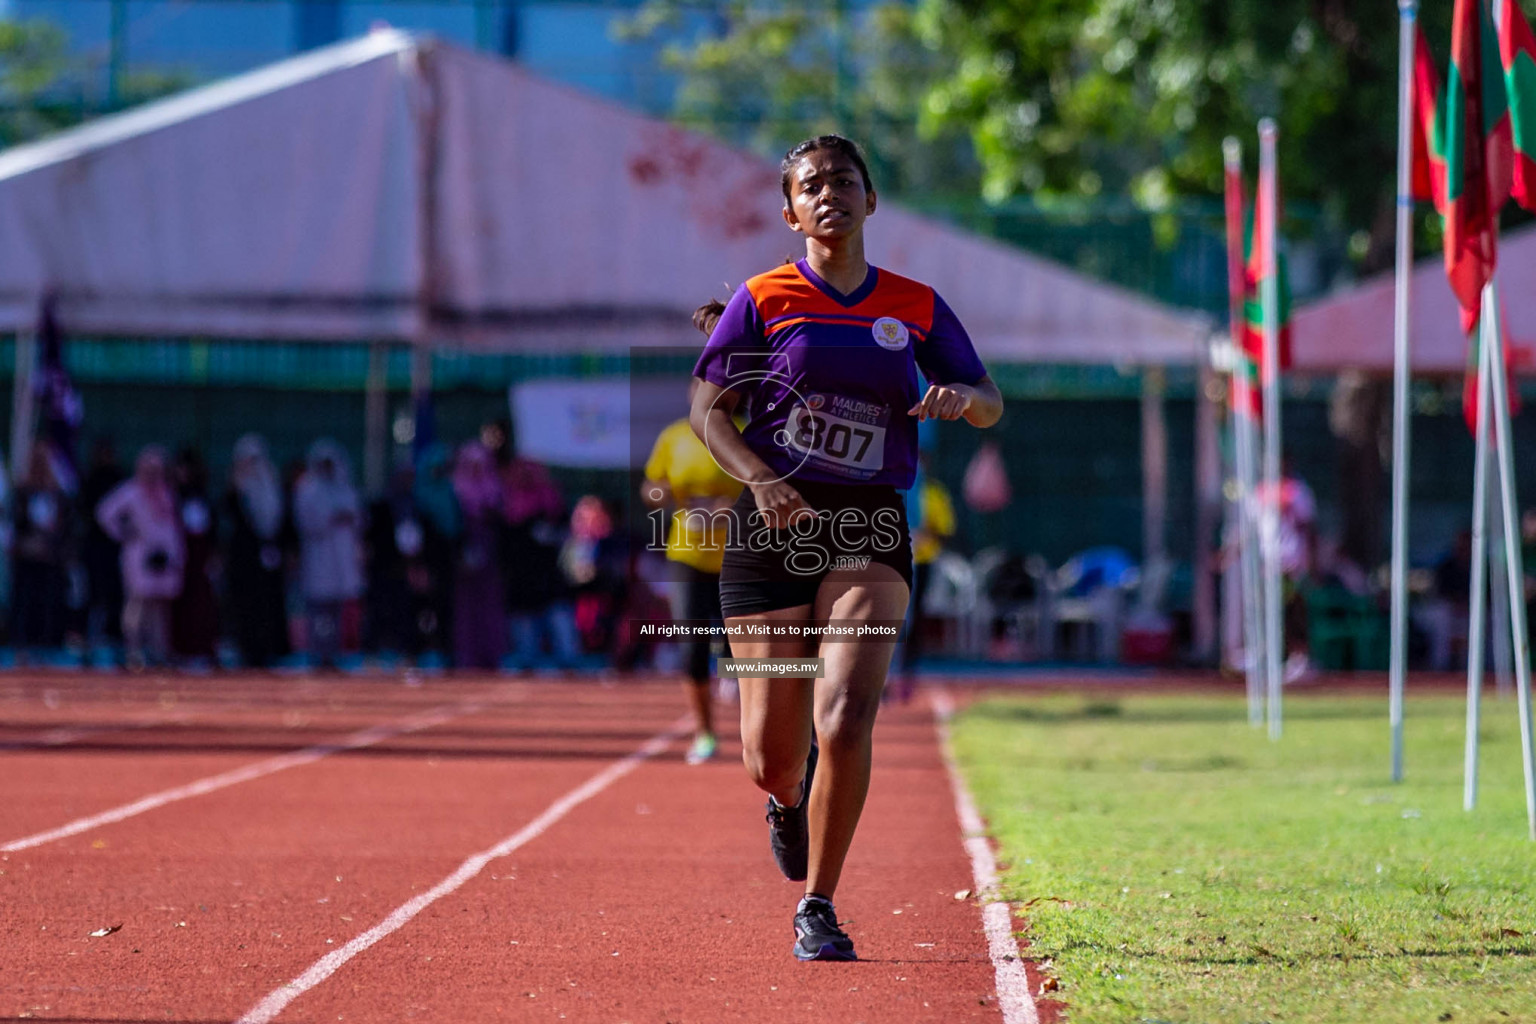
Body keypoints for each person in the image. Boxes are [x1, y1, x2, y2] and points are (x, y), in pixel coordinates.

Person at [689, 135, 1002, 961]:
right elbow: (709, 413)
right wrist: (760, 480)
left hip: (868, 526)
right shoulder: (761, 299)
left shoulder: (916, 305)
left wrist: (958, 398)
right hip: (773, 528)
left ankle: (818, 905)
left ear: (871, 201)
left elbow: (988, 400)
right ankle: (789, 797)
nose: (829, 194)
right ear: (790, 210)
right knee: (770, 754)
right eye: (811, 185)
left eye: (844, 181)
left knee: (848, 709)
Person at [642, 361, 745, 764]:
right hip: (686, 554)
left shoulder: (746, 434)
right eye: (699, 388)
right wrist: (663, 495)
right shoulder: (673, 438)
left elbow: (766, 485)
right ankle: (704, 733)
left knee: (742, 648)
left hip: (739, 555)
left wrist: (727, 508)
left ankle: (755, 728)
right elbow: (651, 488)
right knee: (692, 645)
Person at [96, 446, 185, 669]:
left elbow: (173, 528)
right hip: (139, 554)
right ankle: (133, 650)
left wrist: (176, 555)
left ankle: (159, 650)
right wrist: (125, 533)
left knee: (160, 606)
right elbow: (105, 513)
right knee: (137, 602)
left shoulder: (166, 492)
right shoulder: (131, 491)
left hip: (162, 556)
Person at [292, 440, 364, 669]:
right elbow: (307, 523)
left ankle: (335, 653)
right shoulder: (308, 490)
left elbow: (358, 519)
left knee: (338, 613)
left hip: (341, 560)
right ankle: (319, 654)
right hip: (319, 560)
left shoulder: (345, 488)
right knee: (320, 613)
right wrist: (333, 518)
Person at [223, 434, 290, 668]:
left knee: (268, 605)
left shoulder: (271, 484)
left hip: (269, 557)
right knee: (245, 606)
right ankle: (246, 650)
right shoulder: (236, 487)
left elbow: (279, 520)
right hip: (245, 559)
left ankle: (270, 650)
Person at [10, 443, 72, 657]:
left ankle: (47, 643)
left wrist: (51, 542)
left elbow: (65, 525)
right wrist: (27, 542)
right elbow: (17, 522)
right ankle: (21, 642)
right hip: (26, 553)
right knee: (24, 598)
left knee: (48, 599)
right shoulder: (23, 491)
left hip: (49, 554)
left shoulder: (57, 494)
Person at [451, 440, 507, 670]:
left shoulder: (494, 488)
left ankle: (492, 655)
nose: (475, 470)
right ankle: (465, 655)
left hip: (490, 554)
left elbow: (503, 522)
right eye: (471, 464)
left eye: (479, 464)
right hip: (462, 554)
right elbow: (450, 523)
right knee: (465, 606)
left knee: (490, 605)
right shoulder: (455, 489)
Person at [171, 447, 219, 665]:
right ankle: (180, 649)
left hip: (200, 556)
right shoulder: (172, 496)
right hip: (179, 554)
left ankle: (201, 649)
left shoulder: (202, 495)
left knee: (202, 603)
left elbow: (212, 529)